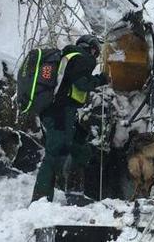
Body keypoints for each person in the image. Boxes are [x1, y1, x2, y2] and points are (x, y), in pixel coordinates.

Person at [31, 34, 109, 202]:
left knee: (80, 149)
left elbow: (72, 82)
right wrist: (101, 79)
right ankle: (40, 200)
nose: (96, 56)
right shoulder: (82, 58)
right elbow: (81, 84)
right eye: (96, 51)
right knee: (54, 155)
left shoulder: (68, 57)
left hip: (60, 113)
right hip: (59, 113)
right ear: (90, 48)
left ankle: (75, 193)